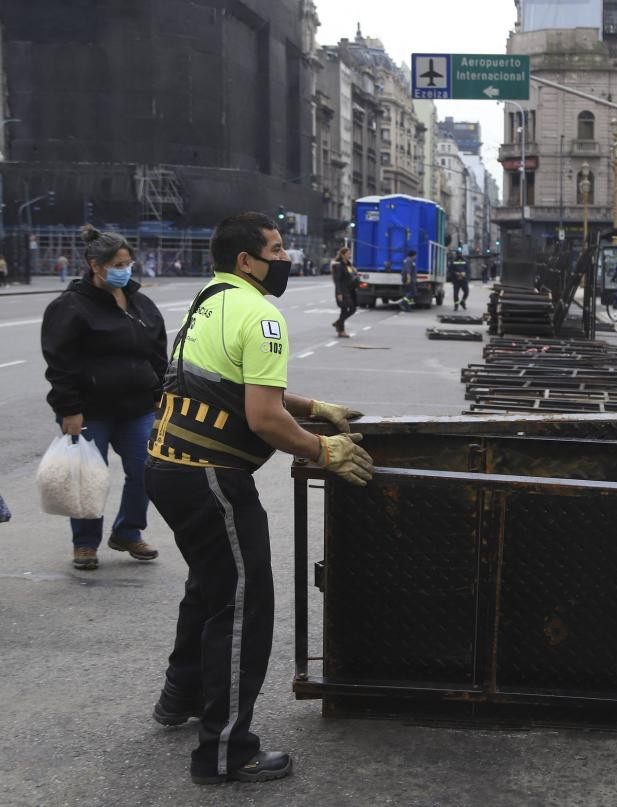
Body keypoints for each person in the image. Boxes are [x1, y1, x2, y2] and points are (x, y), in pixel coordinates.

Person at [145, 212, 373, 785]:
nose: (285, 258)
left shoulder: (210, 300)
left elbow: (232, 383)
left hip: (168, 468)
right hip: (212, 477)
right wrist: (326, 451)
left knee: (209, 588)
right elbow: (263, 418)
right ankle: (226, 753)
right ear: (247, 260)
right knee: (242, 606)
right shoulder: (262, 314)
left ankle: (181, 697)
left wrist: (314, 408)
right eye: (275, 249)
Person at [41, 225, 167, 571]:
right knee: (87, 476)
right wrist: (69, 410)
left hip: (138, 408)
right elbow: (60, 363)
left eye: (128, 262)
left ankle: (128, 530)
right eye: (117, 264)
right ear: (95, 266)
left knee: (148, 469)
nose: (125, 269)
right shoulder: (70, 306)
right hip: (89, 410)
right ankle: (85, 543)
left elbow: (158, 353)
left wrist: (159, 394)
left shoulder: (140, 303)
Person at [330, 246, 358, 337]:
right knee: (345, 309)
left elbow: (350, 276)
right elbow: (337, 281)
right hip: (343, 291)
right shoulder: (339, 266)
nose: (349, 255)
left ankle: (338, 324)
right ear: (342, 255)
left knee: (352, 309)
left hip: (350, 291)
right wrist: (339, 293)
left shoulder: (348, 265)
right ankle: (341, 330)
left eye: (350, 253)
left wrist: (355, 273)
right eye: (348, 253)